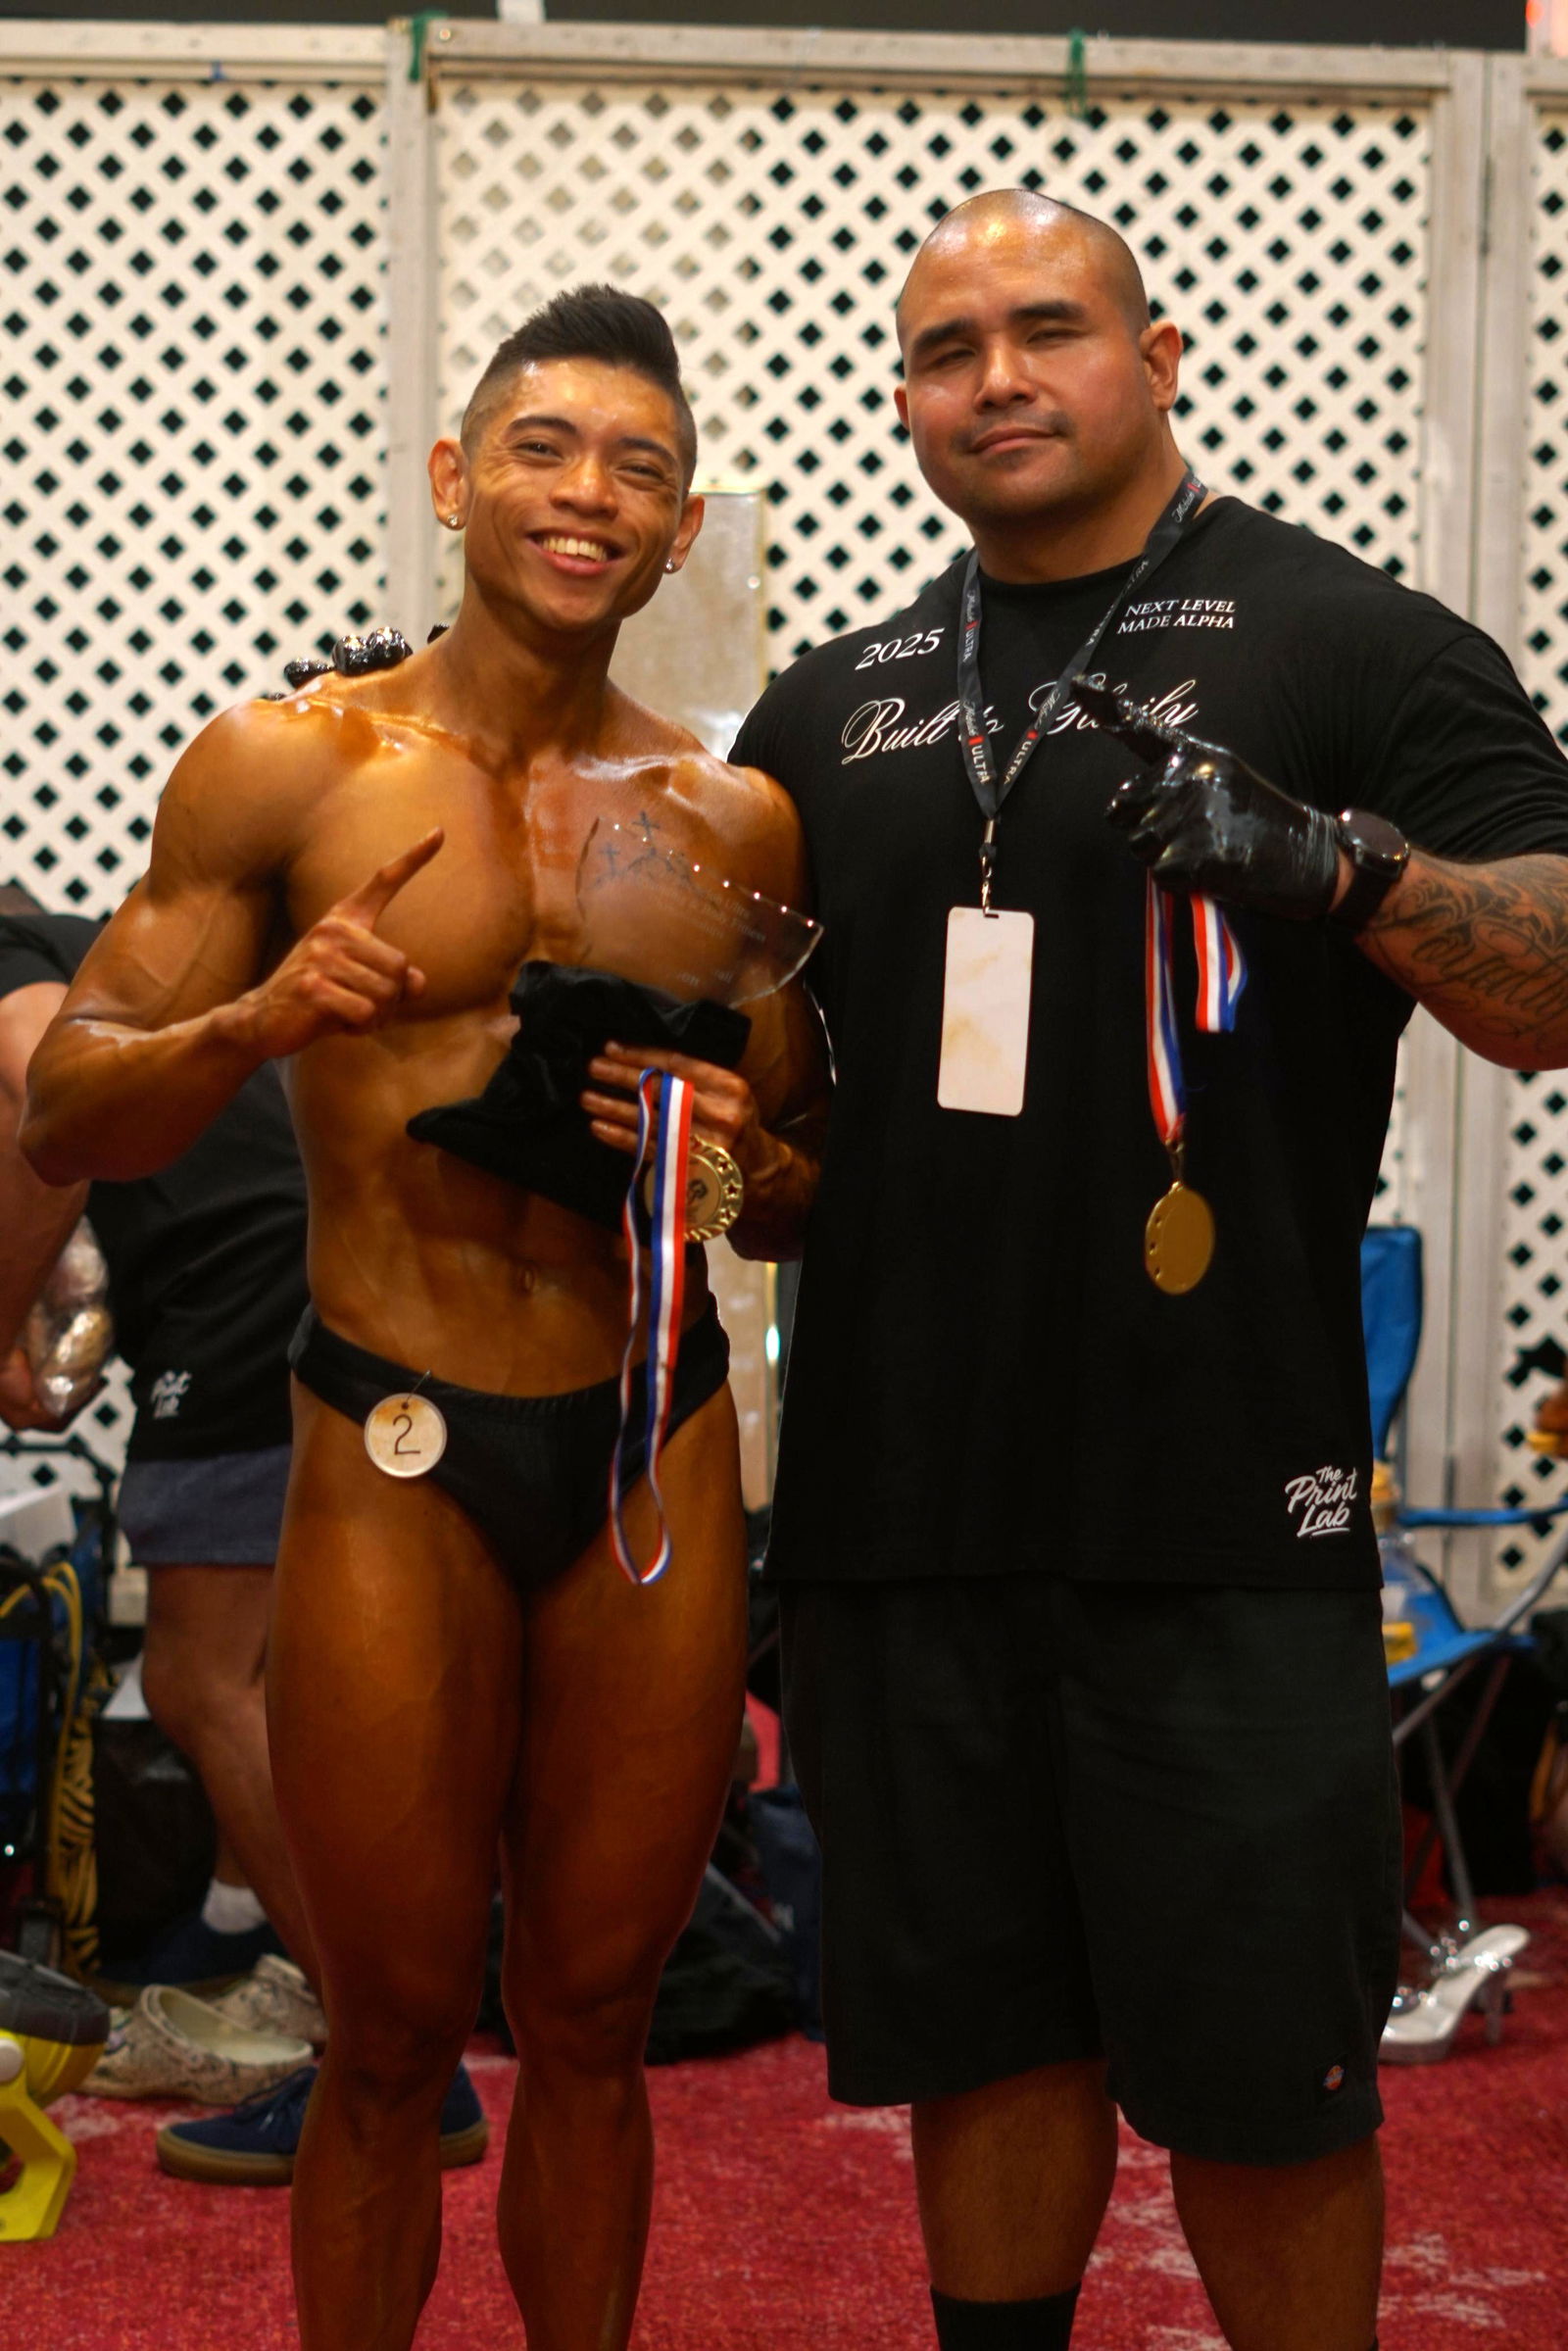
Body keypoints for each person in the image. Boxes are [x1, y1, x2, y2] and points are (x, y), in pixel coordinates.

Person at [632, 189, 1568, 2351]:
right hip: (903, 1512)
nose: (996, 379)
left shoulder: (1348, 645)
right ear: (901, 406)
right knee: (981, 2043)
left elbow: (1547, 986)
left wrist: (1335, 865)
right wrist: (690, 1132)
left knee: (1260, 2081)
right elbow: (797, 1145)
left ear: (1155, 359)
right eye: (945, 350)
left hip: (1218, 1511)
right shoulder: (834, 706)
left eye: (1045, 329)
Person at [22, 285, 826, 2351]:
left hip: (649, 1429)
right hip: (387, 1430)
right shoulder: (296, 760)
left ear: (679, 527)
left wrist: (730, 1144)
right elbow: (68, 1090)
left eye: (636, 469)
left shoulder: (724, 819)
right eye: (546, 450)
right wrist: (255, 1016)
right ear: (459, 475)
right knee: (386, 2030)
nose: (588, 496)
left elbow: (806, 1182)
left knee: (594, 2016)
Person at [0, 889, 314, 1990]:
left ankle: (385, 2046)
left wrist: (4, 1334)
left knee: (194, 1674)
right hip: (308, 1266)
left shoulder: (10, 962)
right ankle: (239, 1931)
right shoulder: (94, 947)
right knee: (266, 1668)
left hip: (237, 1284)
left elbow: (60, 1124)